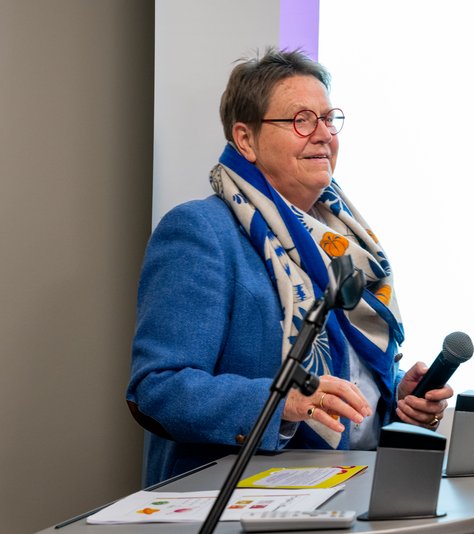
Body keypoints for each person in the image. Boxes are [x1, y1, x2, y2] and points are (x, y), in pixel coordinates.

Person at [126, 47, 453, 486]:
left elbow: (346, 370)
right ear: (246, 140)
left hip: (356, 489)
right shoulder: (201, 231)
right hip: (244, 501)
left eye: (328, 119)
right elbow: (158, 390)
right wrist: (282, 401)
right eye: (302, 120)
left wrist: (396, 397)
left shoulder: (342, 237)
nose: (322, 135)